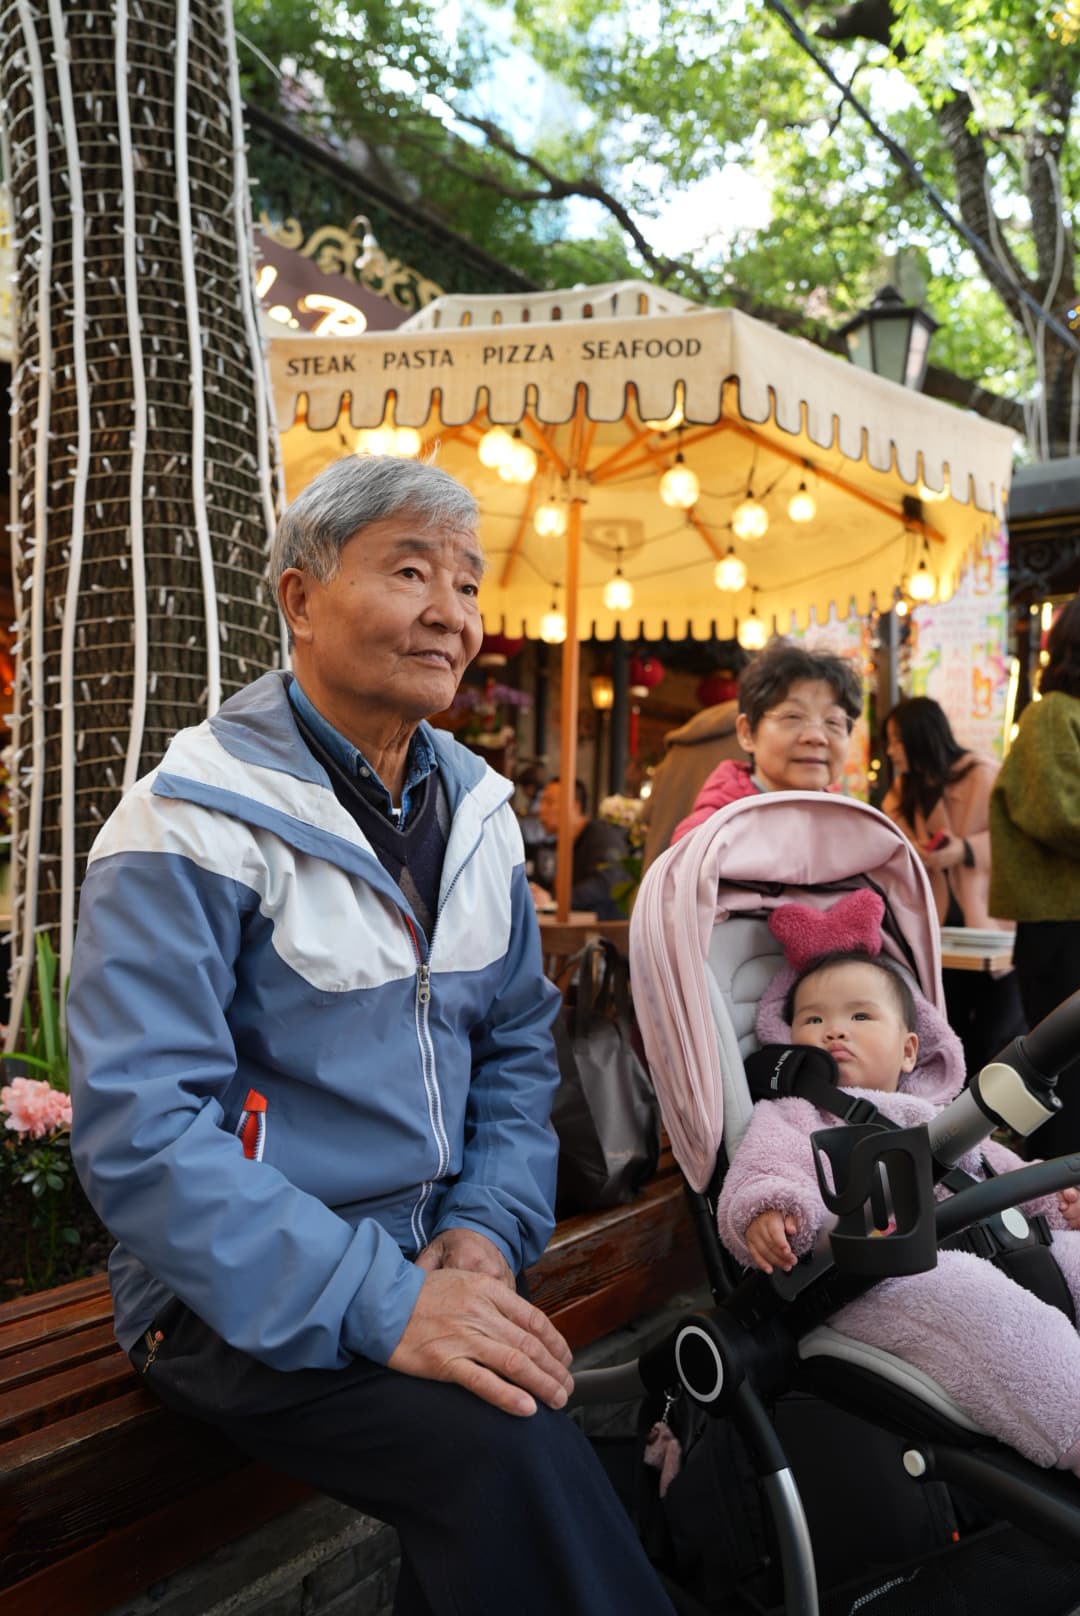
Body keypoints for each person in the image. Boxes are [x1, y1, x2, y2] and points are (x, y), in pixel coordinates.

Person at [66, 455, 676, 1616]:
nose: (451, 611)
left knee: (551, 1432)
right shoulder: (186, 818)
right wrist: (384, 1300)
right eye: (410, 570)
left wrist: (487, 1232)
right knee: (508, 1443)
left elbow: (515, 1052)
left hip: (431, 1258)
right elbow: (144, 1134)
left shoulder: (481, 817)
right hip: (220, 1293)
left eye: (466, 580)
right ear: (299, 599)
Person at [719, 933, 1080, 1478]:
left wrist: (1055, 1198)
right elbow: (765, 1167)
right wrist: (770, 1210)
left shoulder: (935, 1111)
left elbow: (989, 1167)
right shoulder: (795, 1114)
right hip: (870, 1274)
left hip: (982, 1244)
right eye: (812, 1021)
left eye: (860, 1016)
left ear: (910, 1048)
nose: (834, 1030)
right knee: (977, 1302)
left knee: (1073, 1253)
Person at [881, 695, 1024, 1075]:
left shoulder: (982, 774)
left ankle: (993, 1119)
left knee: (995, 1032)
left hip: (991, 926)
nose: (891, 750)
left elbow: (1016, 840)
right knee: (951, 1028)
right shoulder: (900, 794)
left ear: (921, 736)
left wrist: (965, 849)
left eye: (897, 739)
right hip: (940, 934)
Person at [991, 594, 1080, 1160]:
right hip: (1061, 925)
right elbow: (1059, 812)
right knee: (1067, 1078)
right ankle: (1060, 1213)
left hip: (1066, 922)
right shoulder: (1053, 713)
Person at [670, 640, 861, 844]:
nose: (816, 737)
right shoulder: (707, 840)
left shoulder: (855, 832)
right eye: (793, 717)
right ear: (747, 733)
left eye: (833, 721)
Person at [640, 694, 741, 872]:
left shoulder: (676, 752)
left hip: (662, 874)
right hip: (713, 880)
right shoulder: (751, 744)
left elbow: (646, 815)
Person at [529, 776, 629, 918]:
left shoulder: (603, 837)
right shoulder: (555, 845)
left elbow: (605, 884)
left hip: (600, 931)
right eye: (541, 802)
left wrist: (554, 898)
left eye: (549, 802)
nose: (541, 810)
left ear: (575, 806)